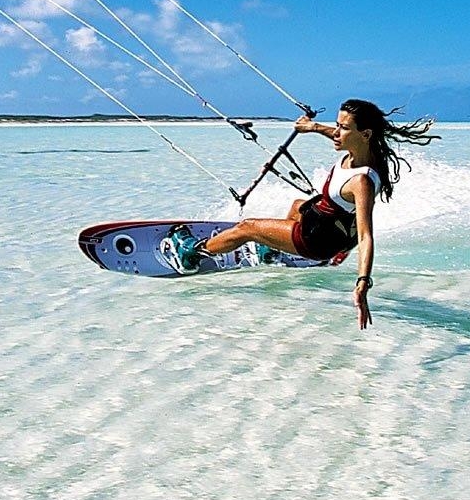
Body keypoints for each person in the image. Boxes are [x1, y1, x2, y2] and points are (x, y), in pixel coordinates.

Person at [163, 99, 438, 329]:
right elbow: (335, 134)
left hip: (316, 240)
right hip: (325, 223)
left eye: (343, 128)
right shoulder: (364, 149)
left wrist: (363, 283)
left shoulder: (361, 181)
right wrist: (311, 127)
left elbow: (366, 235)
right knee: (298, 204)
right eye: (337, 125)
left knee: (246, 228)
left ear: (365, 134)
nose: (336, 132)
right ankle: (271, 251)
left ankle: (193, 254)